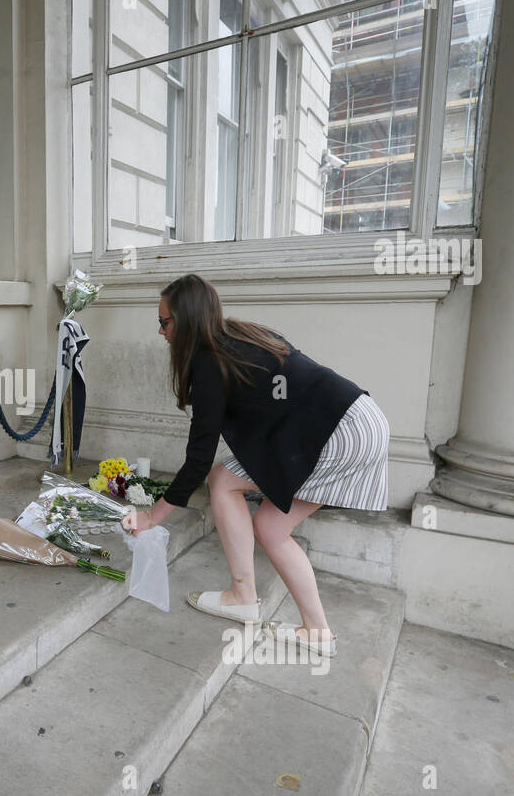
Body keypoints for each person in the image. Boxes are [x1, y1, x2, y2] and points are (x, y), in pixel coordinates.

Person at [121, 273, 389, 657]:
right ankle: (313, 629)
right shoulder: (241, 336)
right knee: (267, 524)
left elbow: (198, 457)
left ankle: (243, 595)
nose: (160, 331)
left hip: (339, 430)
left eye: (165, 322)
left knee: (224, 482)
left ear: (188, 321)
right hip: (360, 418)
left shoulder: (209, 363)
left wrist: (151, 517)